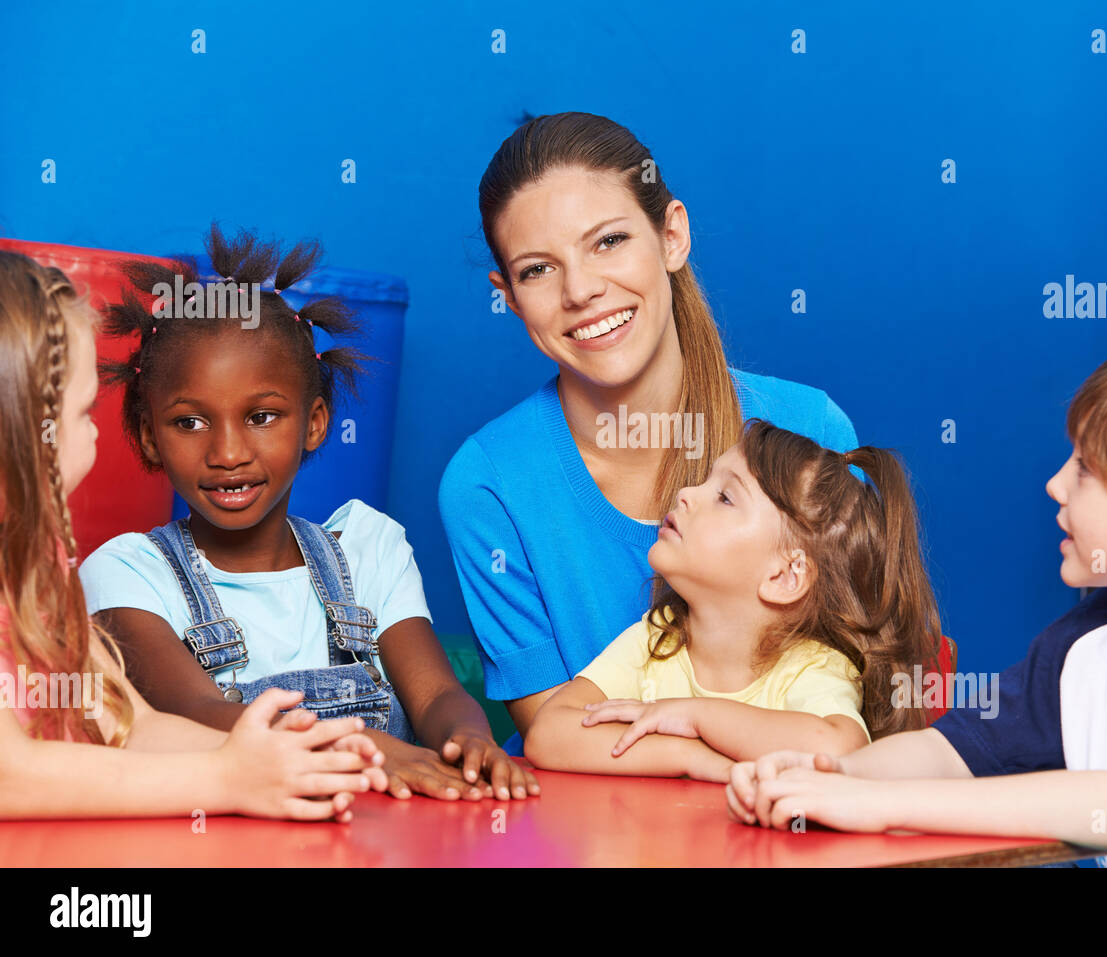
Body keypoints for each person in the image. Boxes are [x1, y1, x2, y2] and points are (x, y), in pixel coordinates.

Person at [729, 330, 1107, 868]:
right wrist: (829, 776)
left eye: (1086, 469)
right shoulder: (1086, 643)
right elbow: (950, 753)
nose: (1055, 484)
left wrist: (880, 807)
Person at [440, 112, 860, 754]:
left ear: (672, 236)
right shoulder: (485, 487)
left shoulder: (812, 433)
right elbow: (567, 743)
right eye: (537, 270)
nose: (581, 290)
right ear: (509, 297)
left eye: (608, 241)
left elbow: (863, 708)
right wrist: (711, 763)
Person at [79, 225, 537, 802]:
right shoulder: (127, 574)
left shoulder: (369, 551)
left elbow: (436, 696)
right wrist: (369, 753)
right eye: (189, 422)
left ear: (315, 423)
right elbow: (193, 713)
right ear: (149, 437)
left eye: (262, 417)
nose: (228, 453)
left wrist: (468, 740)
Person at [0, 248, 384, 821]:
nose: (96, 437)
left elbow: (133, 726)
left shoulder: (36, 568)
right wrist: (224, 779)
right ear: (24, 429)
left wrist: (292, 756)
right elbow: (12, 776)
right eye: (82, 415)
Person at [525, 420, 945, 781]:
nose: (687, 492)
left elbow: (840, 751)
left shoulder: (810, 668)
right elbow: (549, 735)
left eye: (725, 497)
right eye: (707, 480)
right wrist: (688, 756)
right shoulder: (660, 637)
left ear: (783, 576)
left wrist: (695, 716)